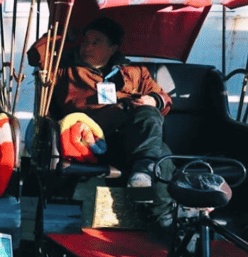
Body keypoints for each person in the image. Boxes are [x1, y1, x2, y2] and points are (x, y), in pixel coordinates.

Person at [38, 17, 176, 239]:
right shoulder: (66, 69)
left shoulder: (135, 71)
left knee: (158, 141)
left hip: (129, 144)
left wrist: (152, 100)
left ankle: (150, 206)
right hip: (88, 143)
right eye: (86, 40)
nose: (87, 46)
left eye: (96, 42)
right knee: (159, 155)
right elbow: (37, 56)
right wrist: (63, 34)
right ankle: (161, 218)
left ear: (113, 48)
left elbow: (164, 99)